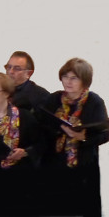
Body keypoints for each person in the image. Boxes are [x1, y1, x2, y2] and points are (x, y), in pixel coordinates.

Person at [38, 58, 106, 217]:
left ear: (85, 81)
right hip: (55, 163)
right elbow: (41, 124)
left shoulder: (94, 101)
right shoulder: (54, 99)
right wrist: (59, 129)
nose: (68, 82)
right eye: (65, 77)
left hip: (83, 163)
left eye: (74, 78)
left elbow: (104, 132)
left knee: (84, 206)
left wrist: (83, 137)